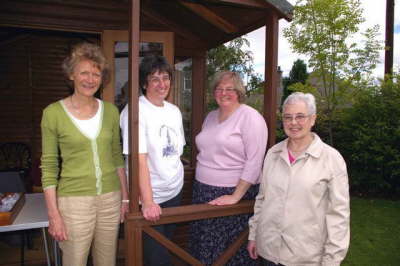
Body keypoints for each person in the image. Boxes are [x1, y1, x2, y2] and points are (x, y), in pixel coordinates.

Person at [40, 42, 129, 266]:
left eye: (96, 74)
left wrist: (125, 197)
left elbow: (117, 157)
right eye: (85, 73)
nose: (90, 79)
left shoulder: (110, 111)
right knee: (75, 261)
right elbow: (49, 167)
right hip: (73, 203)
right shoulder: (53, 113)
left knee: (107, 261)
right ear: (72, 75)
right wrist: (54, 215)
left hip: (110, 199)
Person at [247, 92, 350, 266]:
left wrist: (332, 260)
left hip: (305, 257)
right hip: (268, 252)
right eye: (288, 117)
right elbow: (262, 199)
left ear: (313, 119)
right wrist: (253, 235)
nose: (293, 123)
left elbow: (339, 216)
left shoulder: (332, 159)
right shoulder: (273, 154)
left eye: (300, 116)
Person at [189, 71, 268, 265]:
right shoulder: (210, 117)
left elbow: (255, 161)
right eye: (219, 88)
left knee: (227, 252)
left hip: (231, 196)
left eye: (229, 89)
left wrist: (235, 196)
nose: (223, 93)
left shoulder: (250, 117)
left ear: (239, 92)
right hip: (203, 191)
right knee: (204, 248)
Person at [120, 55, 185, 266]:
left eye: (165, 77)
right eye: (155, 78)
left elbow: (176, 152)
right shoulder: (135, 111)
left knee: (165, 247)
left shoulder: (174, 111)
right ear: (145, 82)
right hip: (151, 199)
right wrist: (147, 202)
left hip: (174, 193)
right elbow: (139, 160)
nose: (161, 84)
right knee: (157, 259)